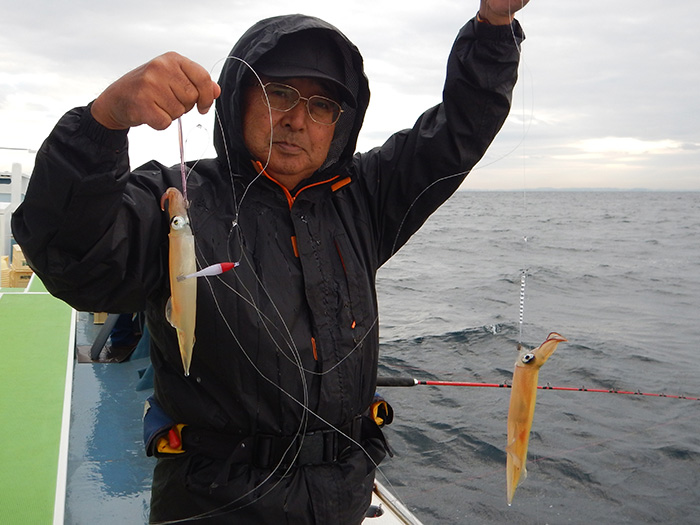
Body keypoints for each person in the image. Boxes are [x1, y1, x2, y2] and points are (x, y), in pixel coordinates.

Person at [12, 1, 529, 523]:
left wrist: (494, 26)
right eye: (278, 93)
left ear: (339, 123)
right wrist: (102, 123)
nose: (297, 120)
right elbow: (72, 258)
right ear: (239, 97)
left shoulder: (365, 199)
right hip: (212, 505)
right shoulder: (175, 198)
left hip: (343, 497)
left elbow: (457, 132)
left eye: (322, 105)